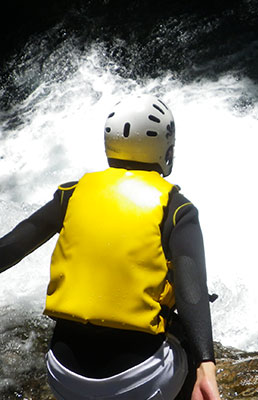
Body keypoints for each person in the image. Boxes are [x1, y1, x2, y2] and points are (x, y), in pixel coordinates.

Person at [0, 94, 220, 400]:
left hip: (63, 376)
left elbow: (11, 247)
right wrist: (206, 364)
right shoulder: (176, 208)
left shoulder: (72, 193)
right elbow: (191, 289)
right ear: (165, 146)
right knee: (181, 336)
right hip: (140, 381)